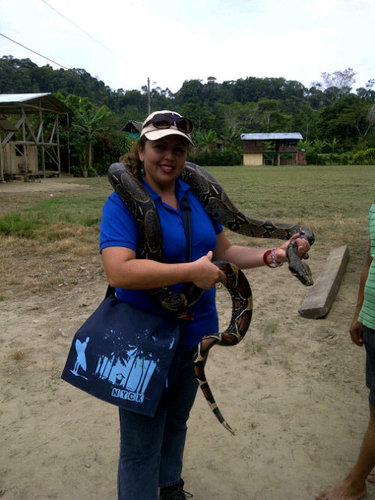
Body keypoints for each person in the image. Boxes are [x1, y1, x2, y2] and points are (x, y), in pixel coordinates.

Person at [99, 109, 310, 500]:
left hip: (195, 332)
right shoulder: (121, 203)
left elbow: (224, 250)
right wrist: (190, 271)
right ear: (142, 149)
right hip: (141, 340)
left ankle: (169, 487)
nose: (170, 156)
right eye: (160, 146)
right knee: (140, 441)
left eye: (178, 148)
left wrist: (273, 255)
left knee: (177, 421)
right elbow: (119, 273)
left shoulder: (194, 196)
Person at [316, 204, 375, 500]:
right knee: (373, 398)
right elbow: (370, 262)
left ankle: (355, 485)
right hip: (374, 320)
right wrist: (358, 313)